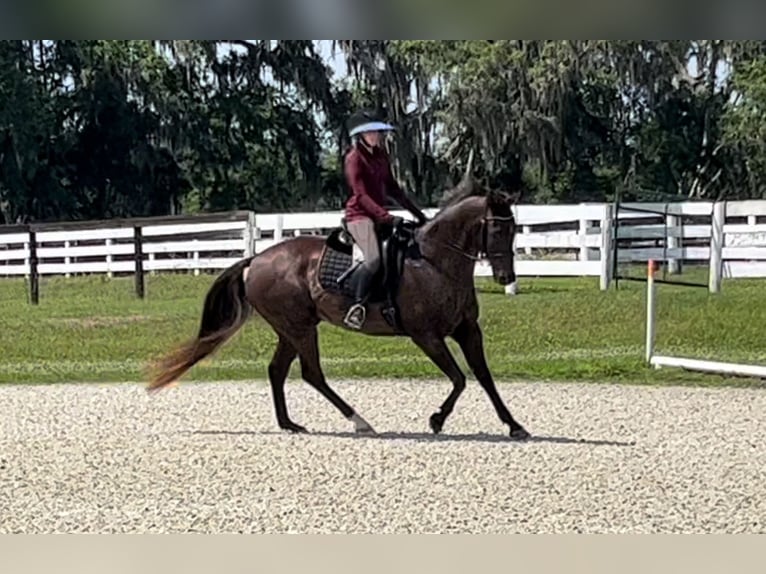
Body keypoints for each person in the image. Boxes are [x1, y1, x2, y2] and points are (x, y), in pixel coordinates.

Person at [342, 109, 428, 330]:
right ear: (360, 135)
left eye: (377, 132)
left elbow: (392, 189)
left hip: (380, 216)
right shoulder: (354, 159)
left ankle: (392, 301)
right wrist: (387, 217)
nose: (375, 136)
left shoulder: (381, 156)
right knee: (373, 259)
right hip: (359, 216)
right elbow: (360, 195)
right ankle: (357, 306)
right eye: (370, 133)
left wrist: (417, 213)